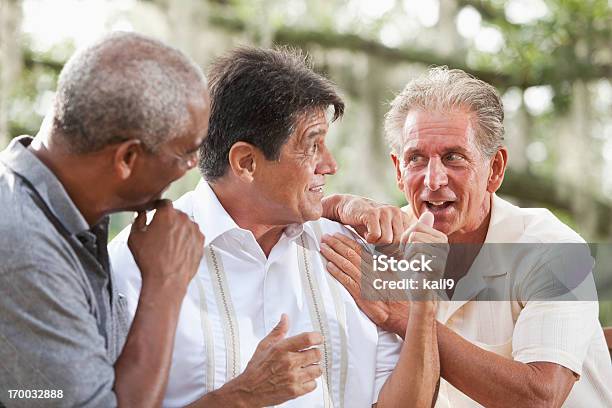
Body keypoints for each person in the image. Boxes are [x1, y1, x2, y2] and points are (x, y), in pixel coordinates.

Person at [109, 47, 440, 408]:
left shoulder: (349, 249)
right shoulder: (134, 264)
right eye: (312, 146)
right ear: (246, 162)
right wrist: (241, 397)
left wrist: (422, 306)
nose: (330, 165)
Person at [320, 67, 612, 407]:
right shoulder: (382, 242)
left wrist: (407, 319)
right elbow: (285, 223)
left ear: (496, 169)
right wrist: (337, 204)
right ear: (398, 171)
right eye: (416, 159)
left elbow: (540, 397)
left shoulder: (554, 249)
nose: (433, 179)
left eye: (452, 157)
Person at [0, 32, 210, 407]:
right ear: (127, 158)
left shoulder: (71, 215)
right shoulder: (27, 249)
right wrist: (166, 283)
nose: (193, 167)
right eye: (186, 153)